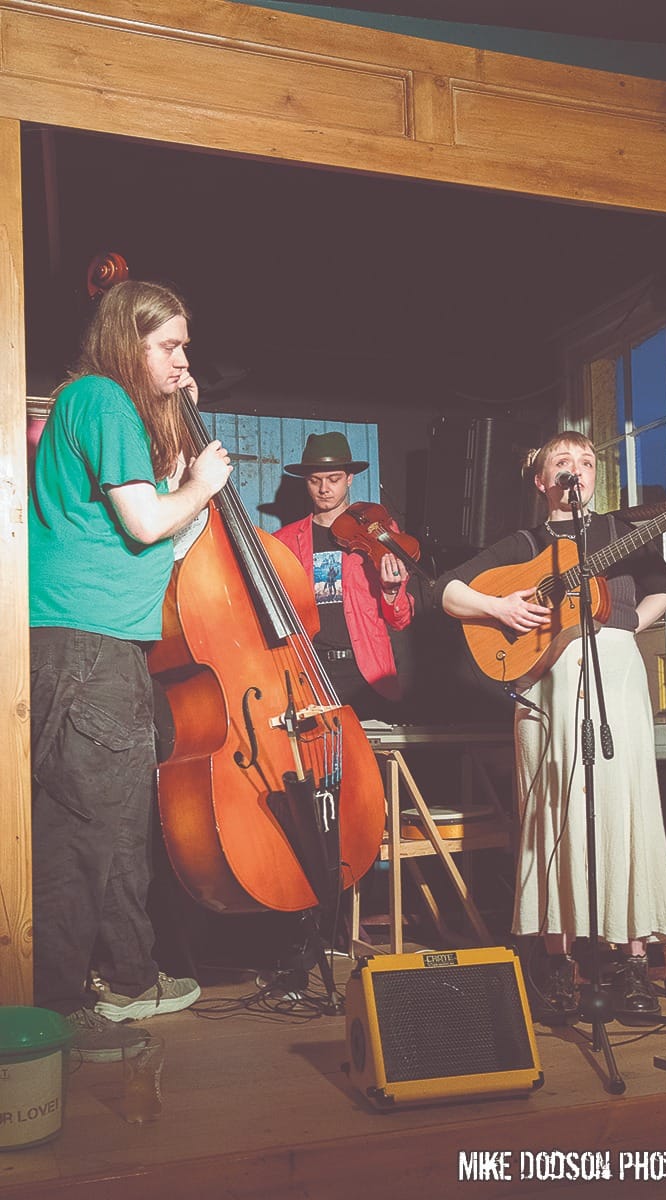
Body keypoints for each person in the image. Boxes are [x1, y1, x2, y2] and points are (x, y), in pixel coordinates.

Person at [28, 279, 232, 1061]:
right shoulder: (104, 398)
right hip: (90, 643)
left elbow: (163, 540)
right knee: (87, 832)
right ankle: (60, 1007)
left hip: (90, 641)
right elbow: (148, 522)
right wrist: (202, 483)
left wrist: (183, 463)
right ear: (128, 340)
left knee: (102, 823)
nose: (183, 361)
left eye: (185, 346)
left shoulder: (91, 405)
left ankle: (128, 978)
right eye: (169, 346)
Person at [435, 431, 666, 1023]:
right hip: (548, 686)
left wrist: (626, 627)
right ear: (541, 480)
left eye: (587, 462)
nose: (577, 470)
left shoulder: (619, 533)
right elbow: (446, 592)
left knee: (624, 811)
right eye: (563, 462)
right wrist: (500, 607)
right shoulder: (523, 544)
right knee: (556, 813)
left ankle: (631, 962)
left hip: (616, 677)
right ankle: (556, 965)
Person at [272, 431, 413, 719]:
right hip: (309, 670)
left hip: (367, 672)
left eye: (333, 479)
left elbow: (401, 620)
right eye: (315, 480)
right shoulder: (283, 541)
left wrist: (391, 591)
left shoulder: (379, 531)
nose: (324, 489)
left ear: (349, 478)